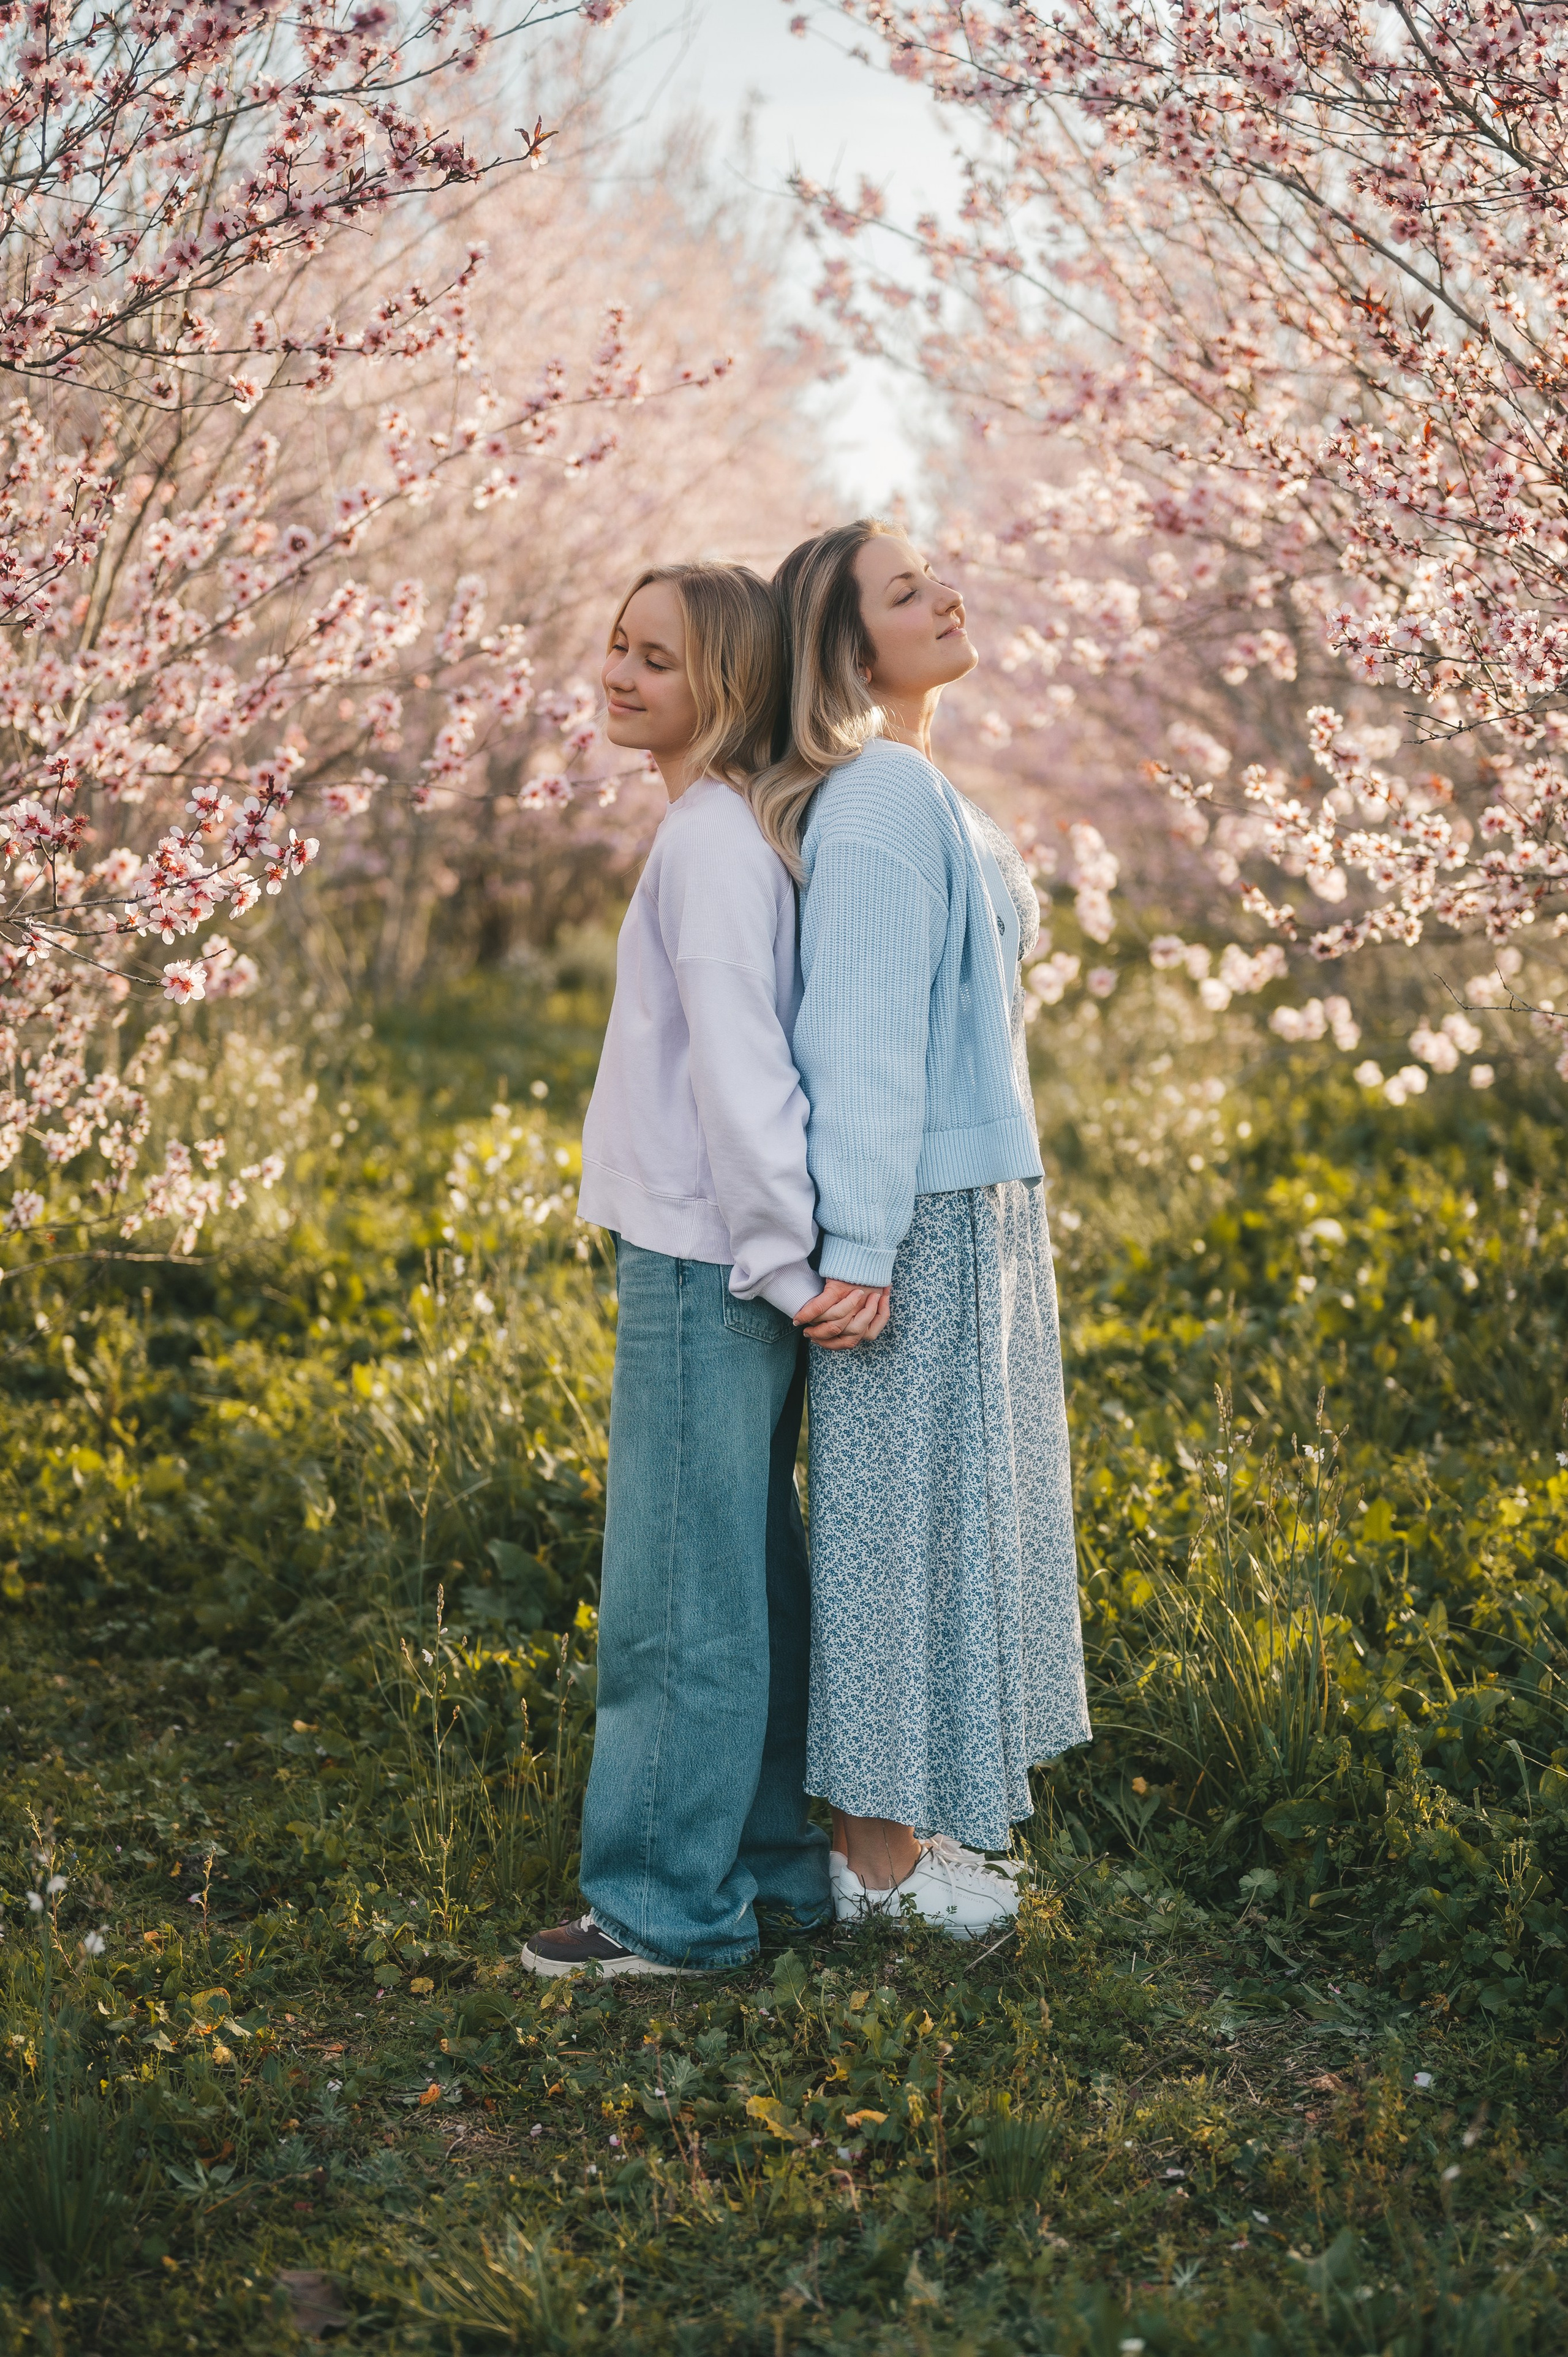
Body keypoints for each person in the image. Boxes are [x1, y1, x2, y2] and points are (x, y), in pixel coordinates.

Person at [751, 518, 1091, 1937]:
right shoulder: (880, 792)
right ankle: (872, 1856)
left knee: (946, 1520)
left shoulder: (915, 782)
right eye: (905, 591)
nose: (943, 594)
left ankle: (915, 1820)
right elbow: (862, 1034)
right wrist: (861, 1248)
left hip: (969, 1198)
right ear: (845, 649)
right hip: (917, 1216)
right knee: (893, 1531)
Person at [521, 562, 833, 1978]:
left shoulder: (711, 838)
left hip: (709, 1259)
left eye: (658, 658)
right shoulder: (731, 826)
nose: (620, 674)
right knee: (742, 1571)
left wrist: (773, 1256)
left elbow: (742, 1068)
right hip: (733, 1255)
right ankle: (765, 1871)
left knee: (677, 1592)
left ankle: (662, 1906)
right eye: (617, 645)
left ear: (730, 683)